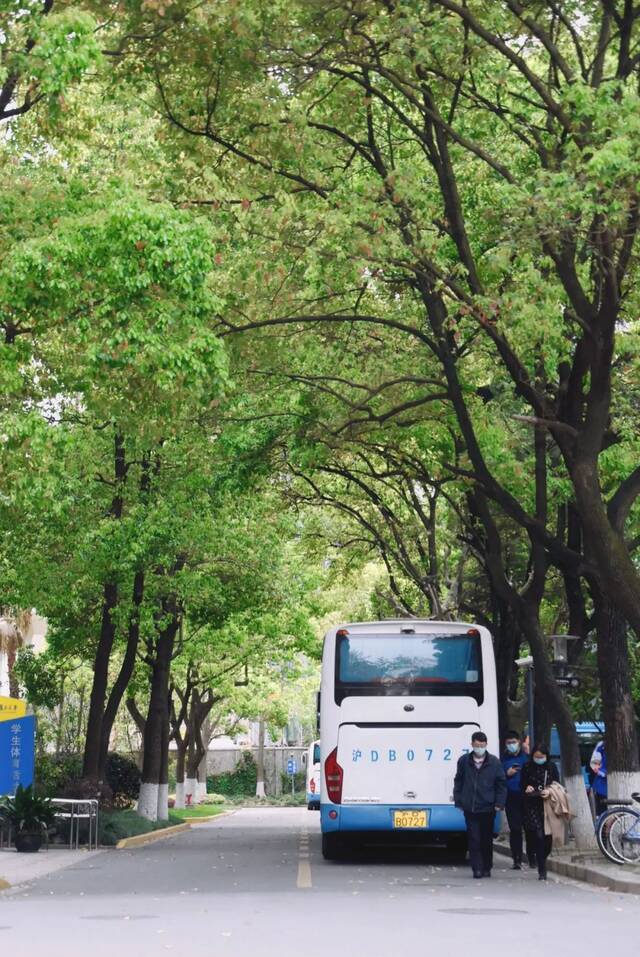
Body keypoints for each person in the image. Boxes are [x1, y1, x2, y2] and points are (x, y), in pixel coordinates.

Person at [454, 731, 507, 879]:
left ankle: (486, 866)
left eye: (482, 745)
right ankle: (476, 868)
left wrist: (499, 803)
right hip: (470, 807)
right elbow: (458, 781)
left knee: (486, 839)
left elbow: (501, 784)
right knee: (474, 838)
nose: (479, 748)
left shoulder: (494, 762)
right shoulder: (464, 761)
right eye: (477, 745)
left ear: (486, 745)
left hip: (488, 807)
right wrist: (459, 800)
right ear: (472, 744)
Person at [521, 743, 560, 881]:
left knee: (548, 839)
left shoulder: (551, 767)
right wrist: (528, 788)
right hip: (532, 804)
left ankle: (540, 856)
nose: (539, 759)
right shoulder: (526, 767)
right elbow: (522, 785)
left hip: (548, 804)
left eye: (541, 757)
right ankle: (542, 870)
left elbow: (557, 785)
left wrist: (549, 791)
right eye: (536, 757)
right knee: (538, 835)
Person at [501, 730, 534, 870]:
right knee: (515, 829)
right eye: (509, 743)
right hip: (511, 798)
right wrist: (506, 774)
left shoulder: (527, 758)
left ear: (519, 742)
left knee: (530, 829)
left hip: (527, 798)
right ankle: (517, 859)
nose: (511, 745)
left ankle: (532, 858)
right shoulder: (502, 759)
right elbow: (497, 778)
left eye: (514, 742)